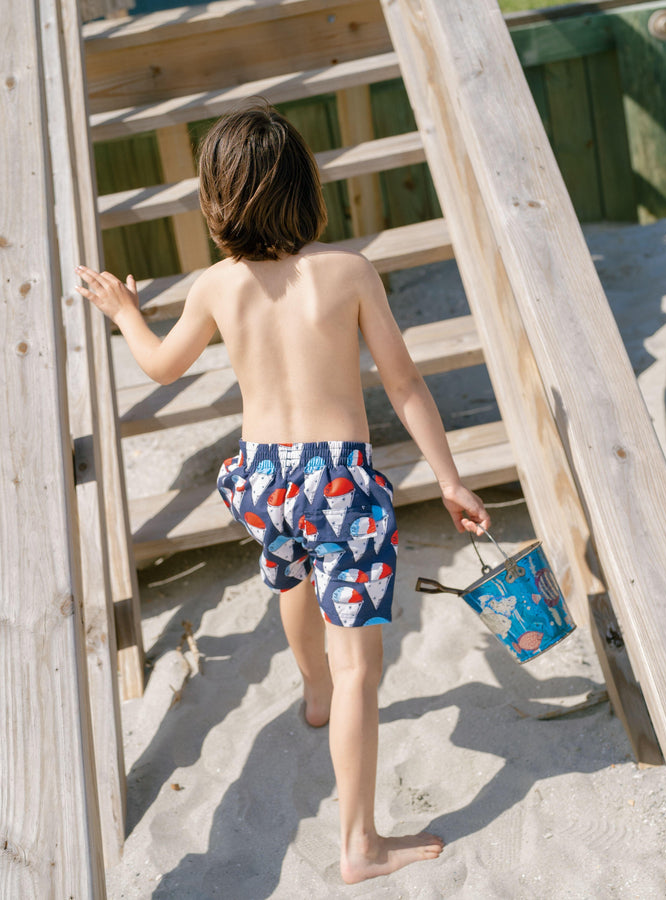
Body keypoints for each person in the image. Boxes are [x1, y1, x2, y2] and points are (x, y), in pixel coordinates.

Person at [76, 103, 490, 885]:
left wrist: (126, 313)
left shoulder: (215, 287)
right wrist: (448, 478)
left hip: (264, 478)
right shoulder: (347, 272)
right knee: (362, 666)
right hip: (339, 481)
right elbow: (403, 385)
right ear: (308, 190)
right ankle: (361, 845)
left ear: (214, 201)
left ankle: (310, 694)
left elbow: (161, 367)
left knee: (294, 573)